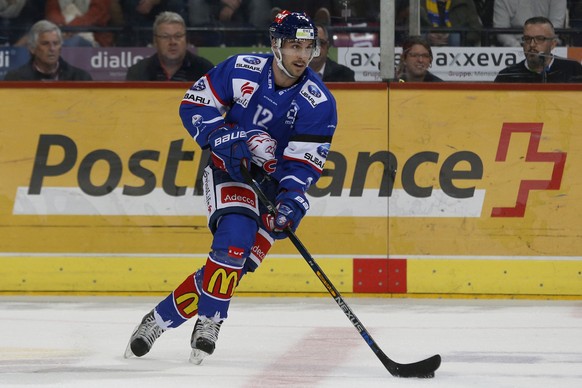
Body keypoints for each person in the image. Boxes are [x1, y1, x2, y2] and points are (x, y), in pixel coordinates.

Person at [124, 10, 337, 364]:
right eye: (294, 46)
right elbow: (195, 103)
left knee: (235, 266)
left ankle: (158, 319)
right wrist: (220, 136)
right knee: (235, 234)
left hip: (269, 184)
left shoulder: (319, 102)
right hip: (230, 169)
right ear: (275, 45)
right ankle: (211, 320)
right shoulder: (241, 68)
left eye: (308, 47)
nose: (302, 55)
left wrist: (290, 202)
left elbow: (302, 164)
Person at [125, 11, 213, 81]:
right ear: (155, 41)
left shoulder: (205, 70)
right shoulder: (138, 72)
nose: (172, 42)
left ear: (186, 40)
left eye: (178, 36)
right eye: (165, 37)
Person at [494, 16, 582, 83]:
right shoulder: (507, 76)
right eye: (527, 39)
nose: (532, 45)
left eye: (540, 39)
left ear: (553, 44)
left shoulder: (573, 69)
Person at [3, 19, 92, 80]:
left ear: (60, 48)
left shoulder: (80, 78)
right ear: (32, 49)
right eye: (45, 44)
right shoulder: (15, 79)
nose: (52, 48)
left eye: (56, 43)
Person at [493, 0, 567, 47]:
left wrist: (541, 44)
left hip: (548, 45)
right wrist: (517, 46)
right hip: (516, 45)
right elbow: (500, 28)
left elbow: (556, 25)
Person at [45, 0, 113, 47]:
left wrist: (72, 27)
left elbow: (98, 13)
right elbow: (52, 10)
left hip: (93, 38)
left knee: (73, 42)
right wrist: (61, 24)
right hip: (61, 33)